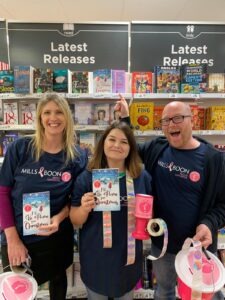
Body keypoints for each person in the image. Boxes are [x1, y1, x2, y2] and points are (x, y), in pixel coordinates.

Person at [115, 97, 225, 300]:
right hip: (163, 246)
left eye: (177, 118)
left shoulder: (213, 158)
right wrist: (124, 120)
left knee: (203, 295)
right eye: (165, 121)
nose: (170, 125)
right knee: (164, 291)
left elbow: (222, 205)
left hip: (197, 249)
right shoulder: (157, 148)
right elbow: (130, 149)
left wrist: (208, 224)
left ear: (192, 120)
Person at [0, 93, 88, 300]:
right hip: (18, 237)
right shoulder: (20, 148)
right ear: (39, 117)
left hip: (56, 237)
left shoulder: (77, 156)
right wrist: (12, 239)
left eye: (58, 112)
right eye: (47, 112)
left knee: (58, 282)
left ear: (67, 117)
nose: (53, 118)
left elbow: (74, 200)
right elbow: (2, 193)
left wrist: (58, 219)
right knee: (17, 291)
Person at [69, 121, 152, 300]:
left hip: (128, 261)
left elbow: (150, 215)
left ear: (131, 148)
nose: (117, 145)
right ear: (103, 143)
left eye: (124, 142)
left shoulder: (141, 177)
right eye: (112, 139)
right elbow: (75, 220)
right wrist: (84, 208)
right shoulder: (87, 177)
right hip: (96, 258)